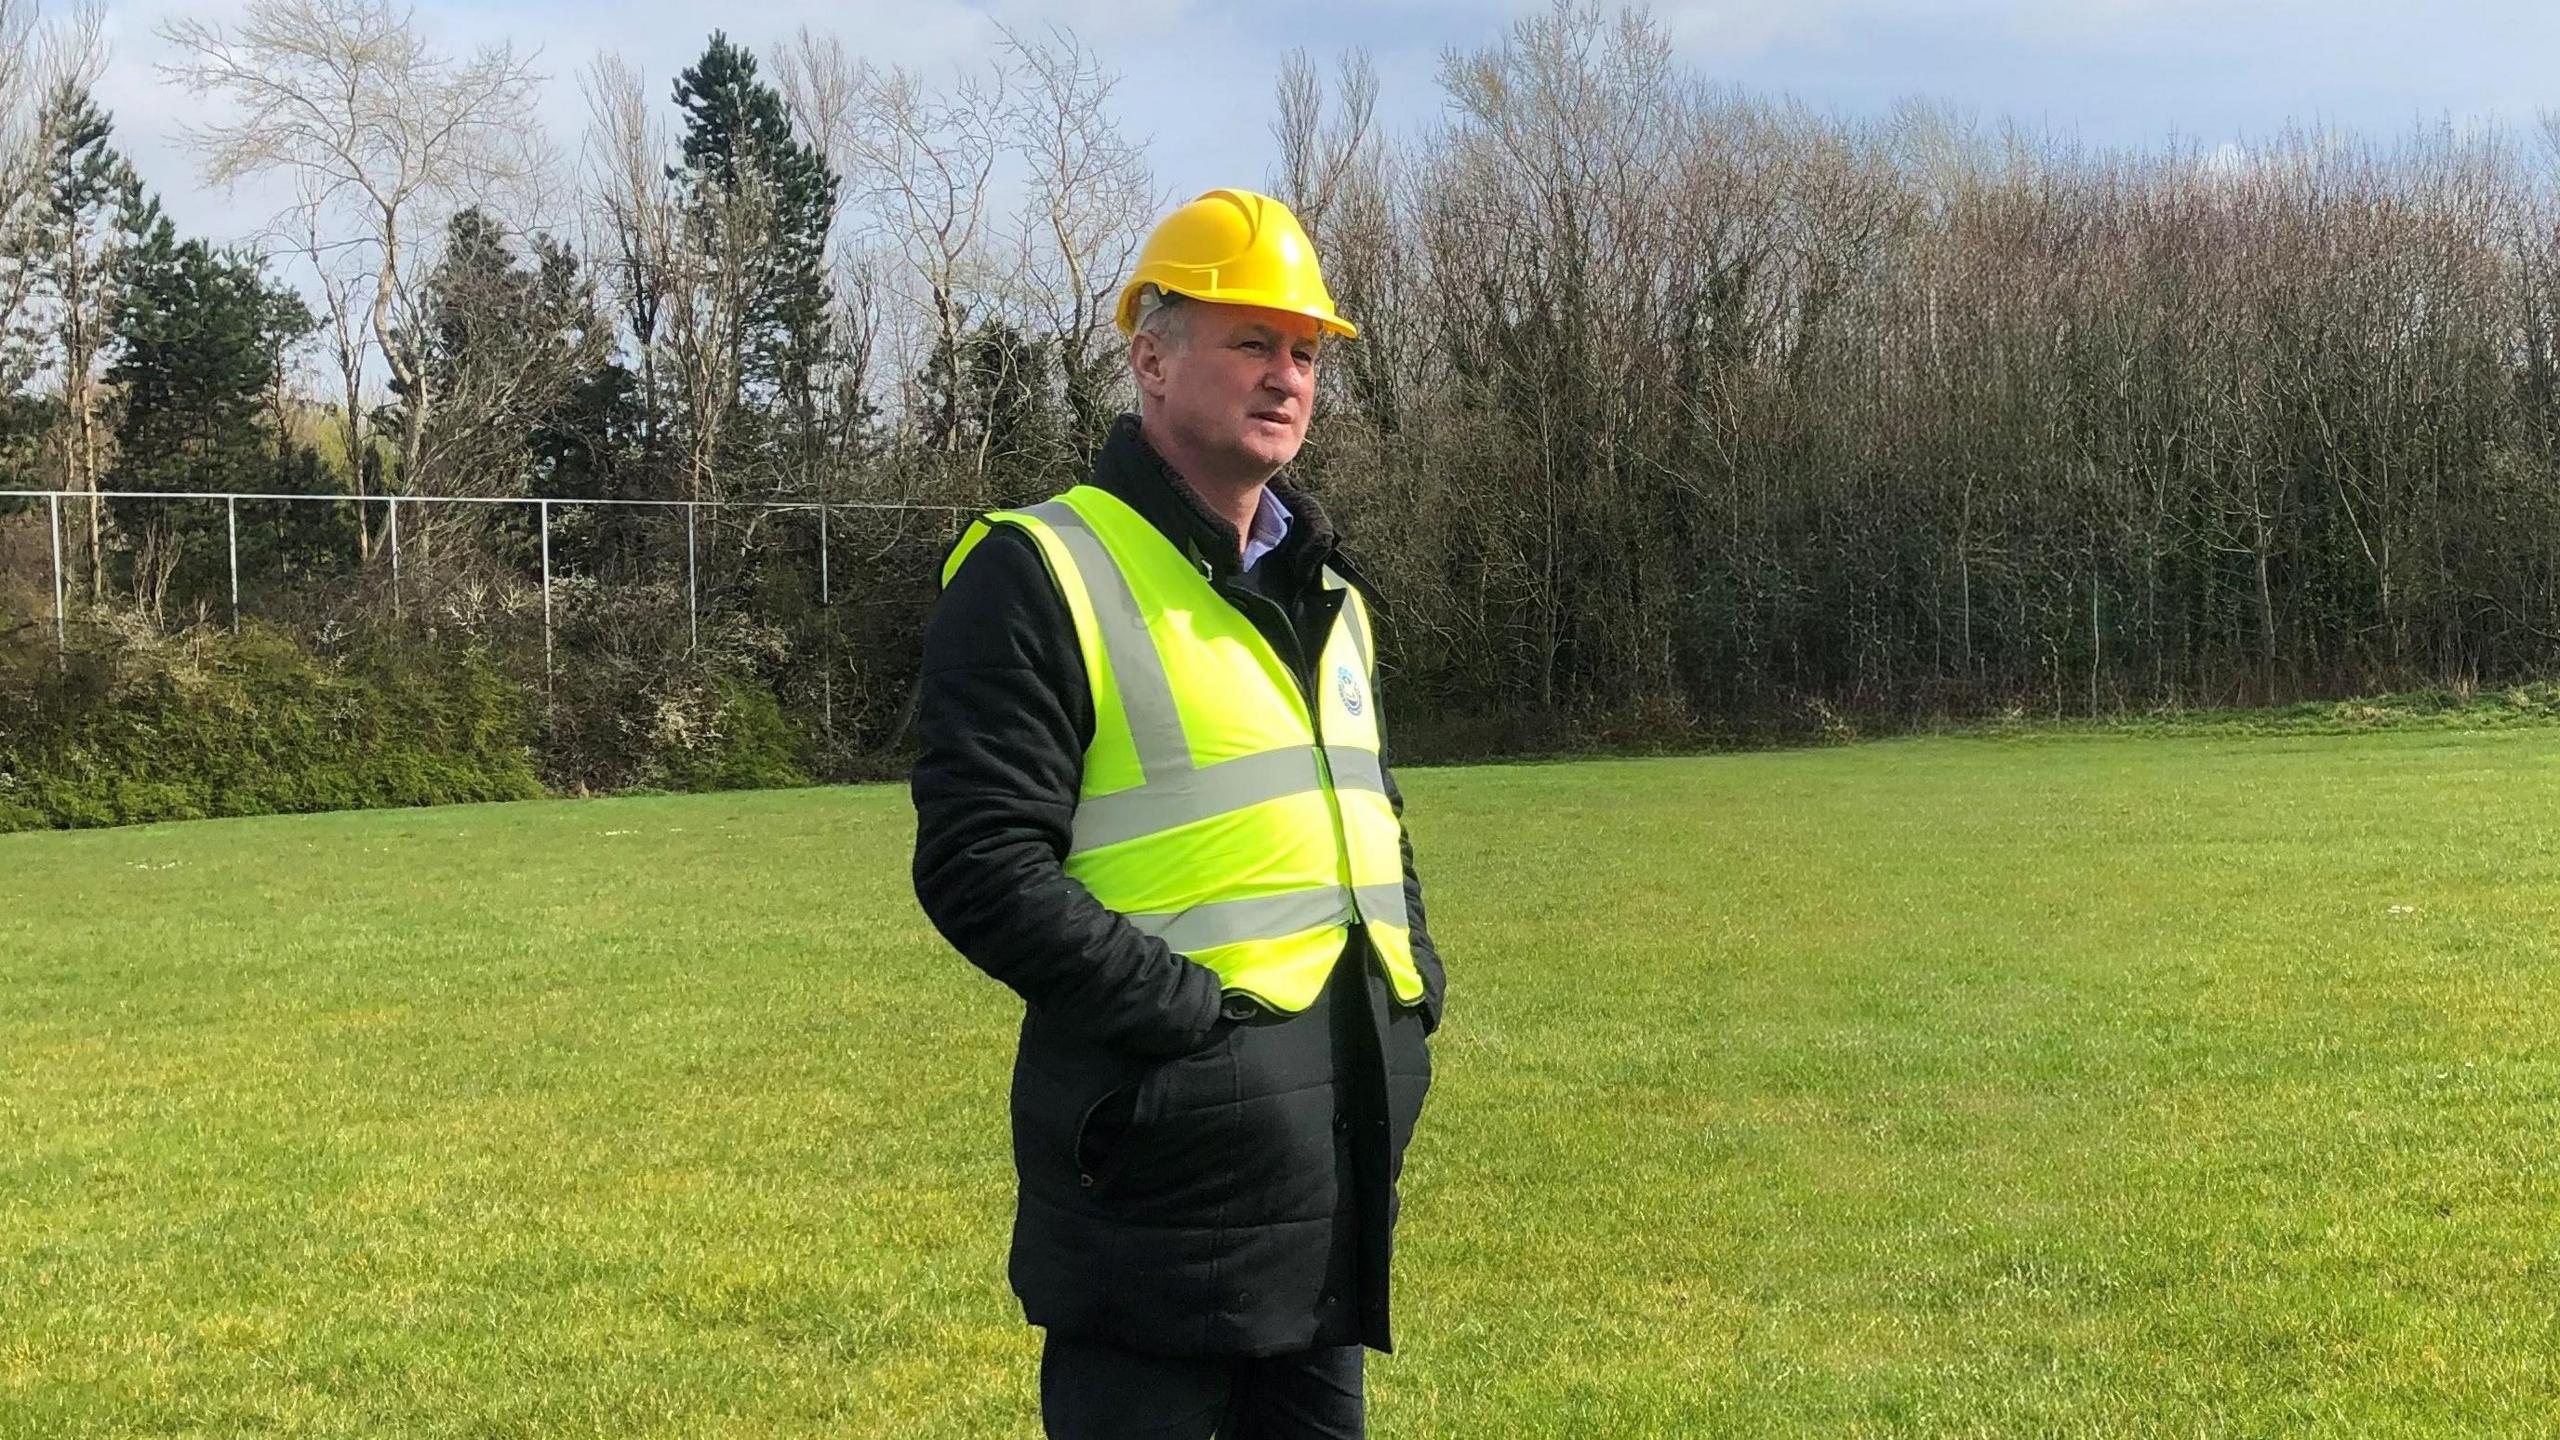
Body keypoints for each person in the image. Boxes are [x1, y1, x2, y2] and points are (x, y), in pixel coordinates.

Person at [910, 188, 1448, 1439]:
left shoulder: (1329, 590)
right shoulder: (1039, 568)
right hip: (1152, 1187)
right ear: (1148, 356)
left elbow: (1370, 818)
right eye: (1249, 342)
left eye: (1305, 351)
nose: (1286, 376)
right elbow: (980, 863)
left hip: (1324, 1178)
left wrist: (1410, 987)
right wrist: (1192, 1025)